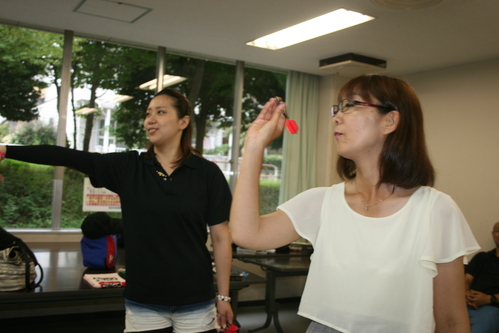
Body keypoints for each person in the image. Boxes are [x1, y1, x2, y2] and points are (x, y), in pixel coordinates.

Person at [230, 74, 480, 333]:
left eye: (350, 105)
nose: (337, 116)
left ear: (390, 120)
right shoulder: (322, 201)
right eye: (337, 108)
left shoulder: (435, 209)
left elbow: (451, 321)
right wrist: (254, 144)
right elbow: (246, 234)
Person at [0, 88, 234, 333]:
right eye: (148, 114)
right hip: (144, 300)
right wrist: (6, 150)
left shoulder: (208, 174)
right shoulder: (128, 167)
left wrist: (224, 296)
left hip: (195, 299)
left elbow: (220, 238)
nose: (150, 119)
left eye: (160, 112)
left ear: (183, 122)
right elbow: (66, 155)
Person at [465, 221, 499, 333]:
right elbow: (466, 280)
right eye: (498, 231)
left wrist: (489, 299)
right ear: (493, 234)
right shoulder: (481, 257)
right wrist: (465, 293)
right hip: (466, 304)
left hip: (492, 308)